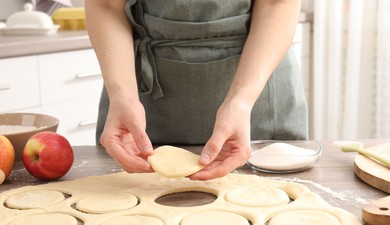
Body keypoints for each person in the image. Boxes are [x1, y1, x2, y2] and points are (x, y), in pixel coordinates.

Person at [85, 0, 308, 181]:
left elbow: (276, 4)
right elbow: (106, 4)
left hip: (258, 93)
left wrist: (240, 102)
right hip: (139, 100)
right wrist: (122, 93)